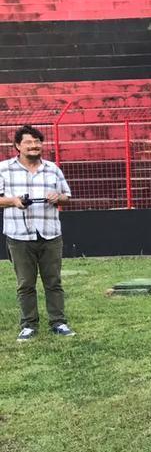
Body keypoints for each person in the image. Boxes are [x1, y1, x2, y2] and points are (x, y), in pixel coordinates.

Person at [1, 125, 74, 342]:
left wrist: (57, 197)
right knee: (25, 283)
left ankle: (58, 322)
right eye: (29, 142)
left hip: (50, 234)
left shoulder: (52, 169)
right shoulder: (4, 169)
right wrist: (13, 201)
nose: (34, 146)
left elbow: (66, 196)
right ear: (17, 146)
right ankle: (29, 325)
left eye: (37, 142)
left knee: (53, 281)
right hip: (19, 236)